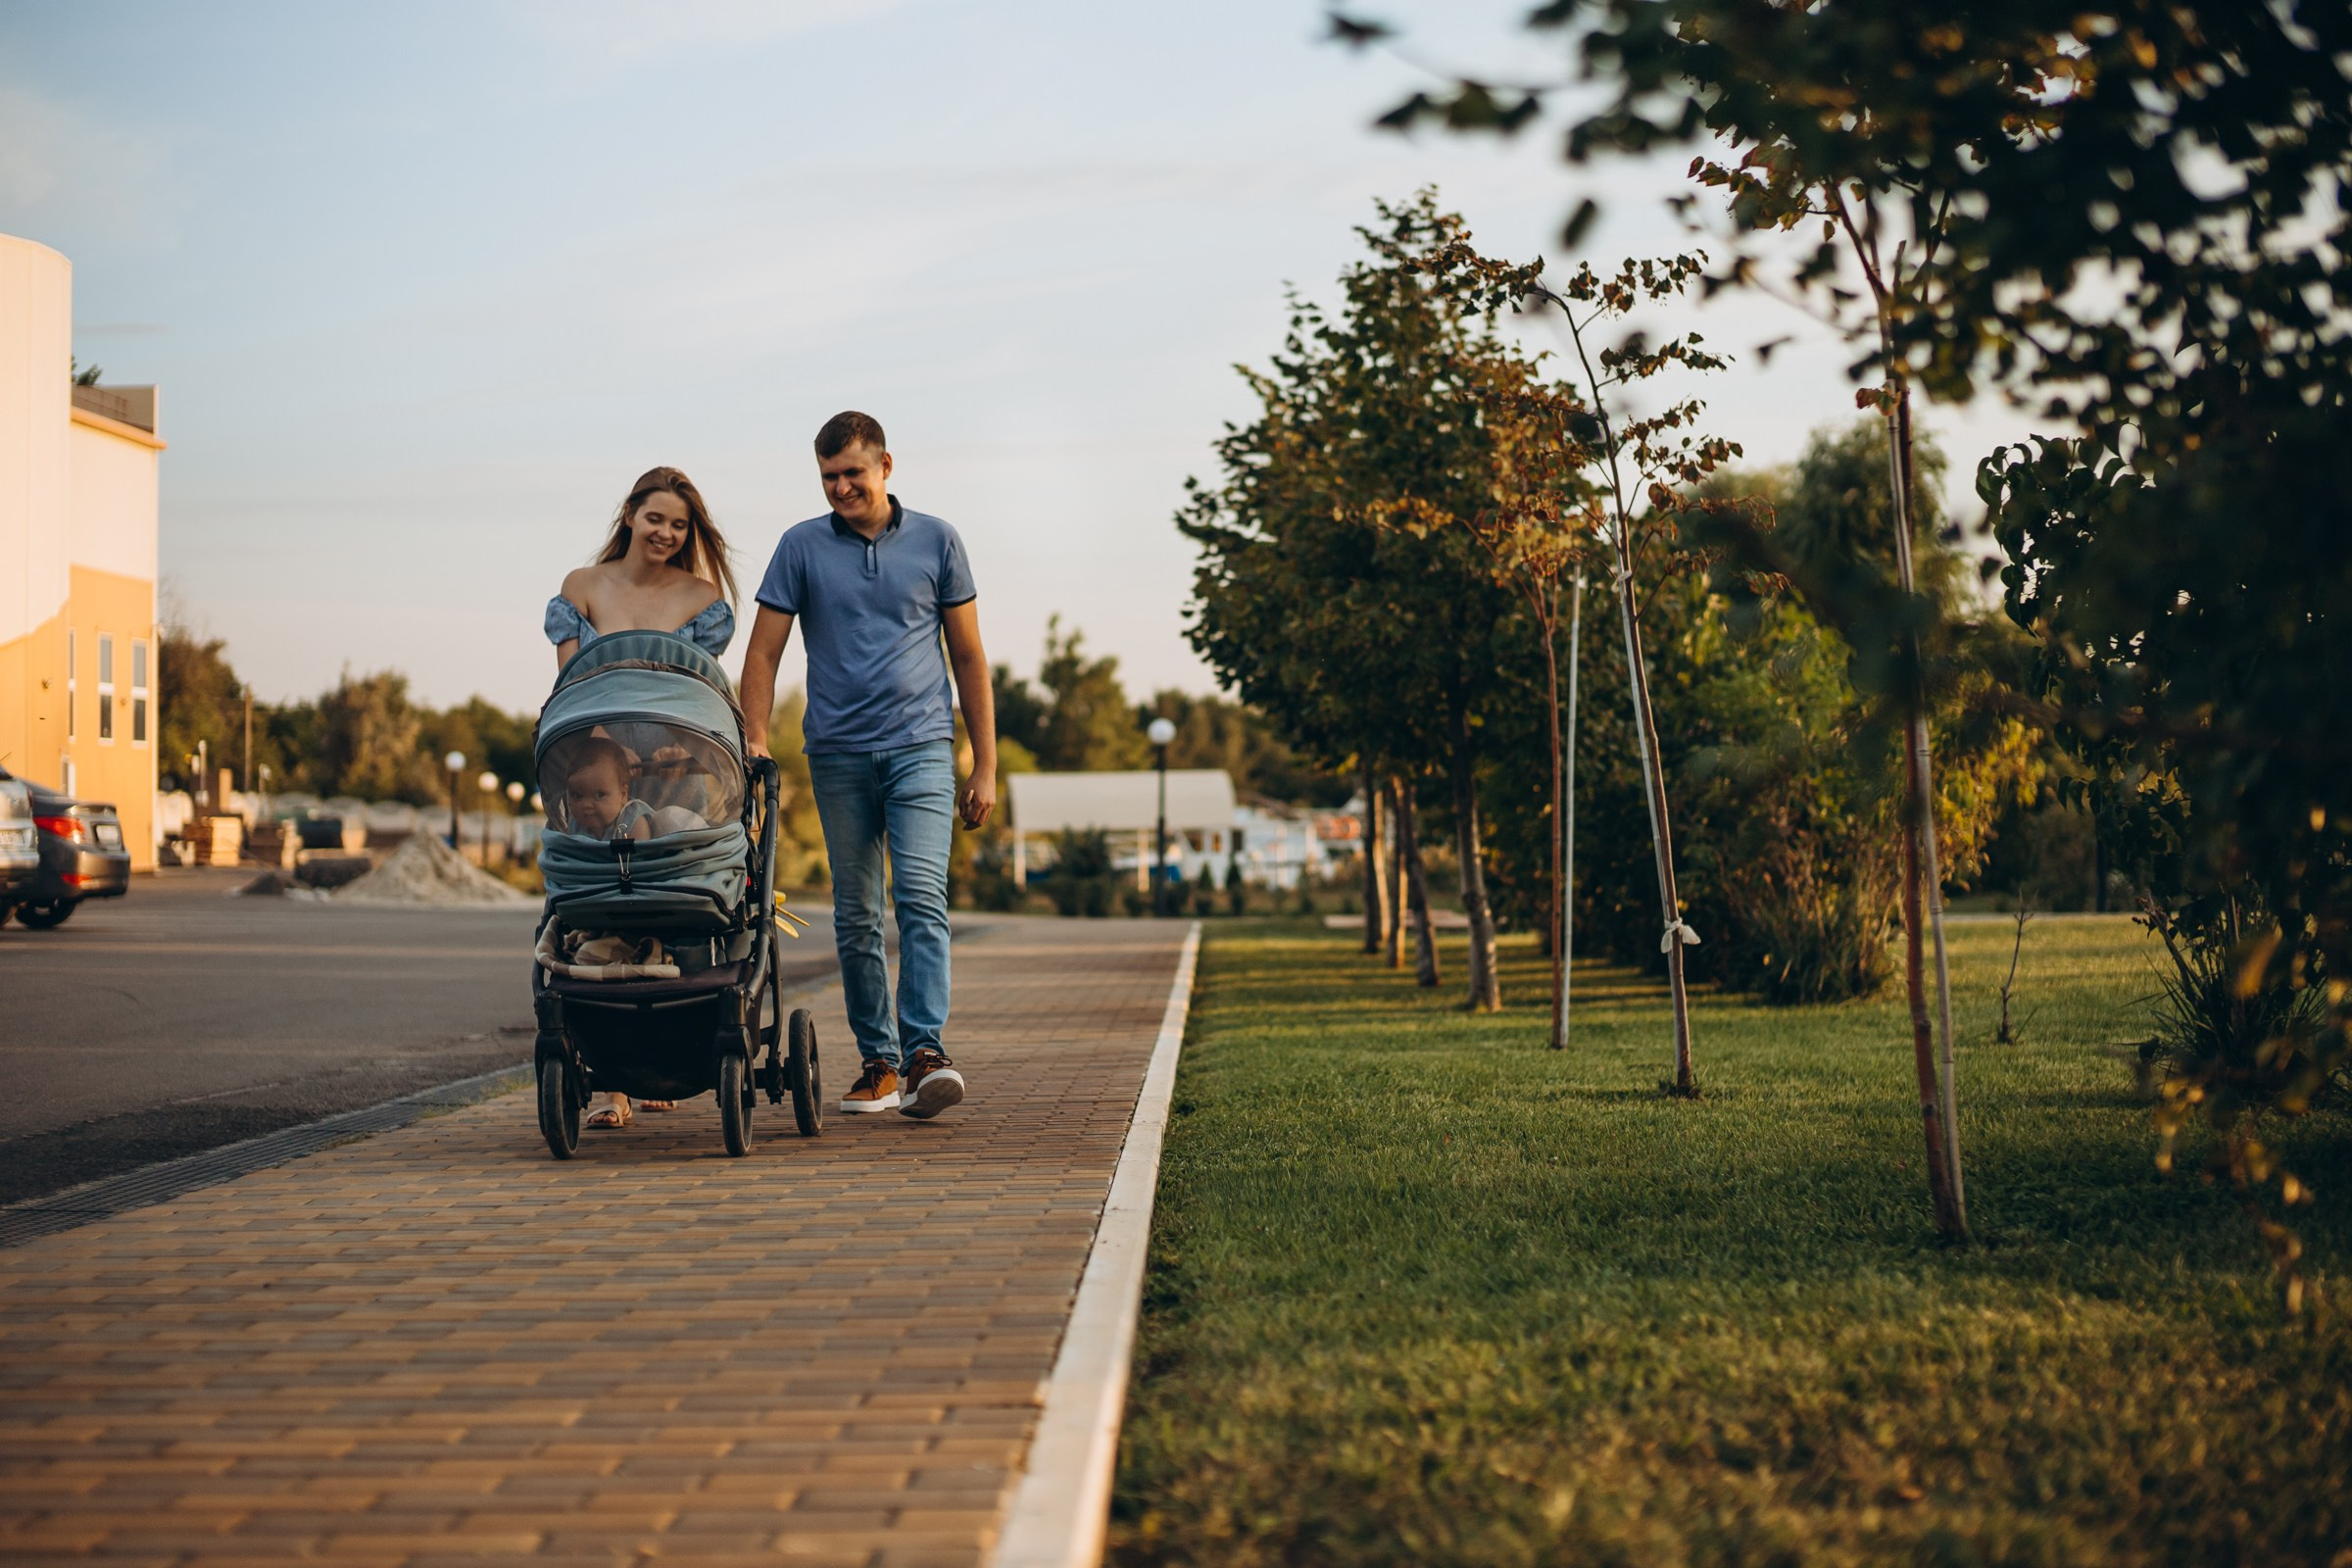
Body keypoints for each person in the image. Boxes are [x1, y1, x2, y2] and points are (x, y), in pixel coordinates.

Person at [739, 412, 996, 1119]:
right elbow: (762, 653)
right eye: (829, 477)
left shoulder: (938, 541)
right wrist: (755, 737)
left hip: (922, 748)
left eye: (853, 472)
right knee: (856, 915)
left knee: (919, 897)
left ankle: (925, 1055)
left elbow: (969, 657)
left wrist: (985, 766)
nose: (841, 487)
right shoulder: (800, 548)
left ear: (886, 465)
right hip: (838, 752)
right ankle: (878, 1063)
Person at [547, 465, 738, 1129]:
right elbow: (571, 687)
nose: (665, 532)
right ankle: (612, 1081)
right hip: (601, 767)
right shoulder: (583, 588)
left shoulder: (700, 599)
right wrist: (605, 752)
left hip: (675, 767)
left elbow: (706, 694)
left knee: (669, 903)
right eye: (655, 517)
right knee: (602, 907)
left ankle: (664, 1056)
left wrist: (675, 749)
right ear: (629, 514)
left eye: (679, 525)